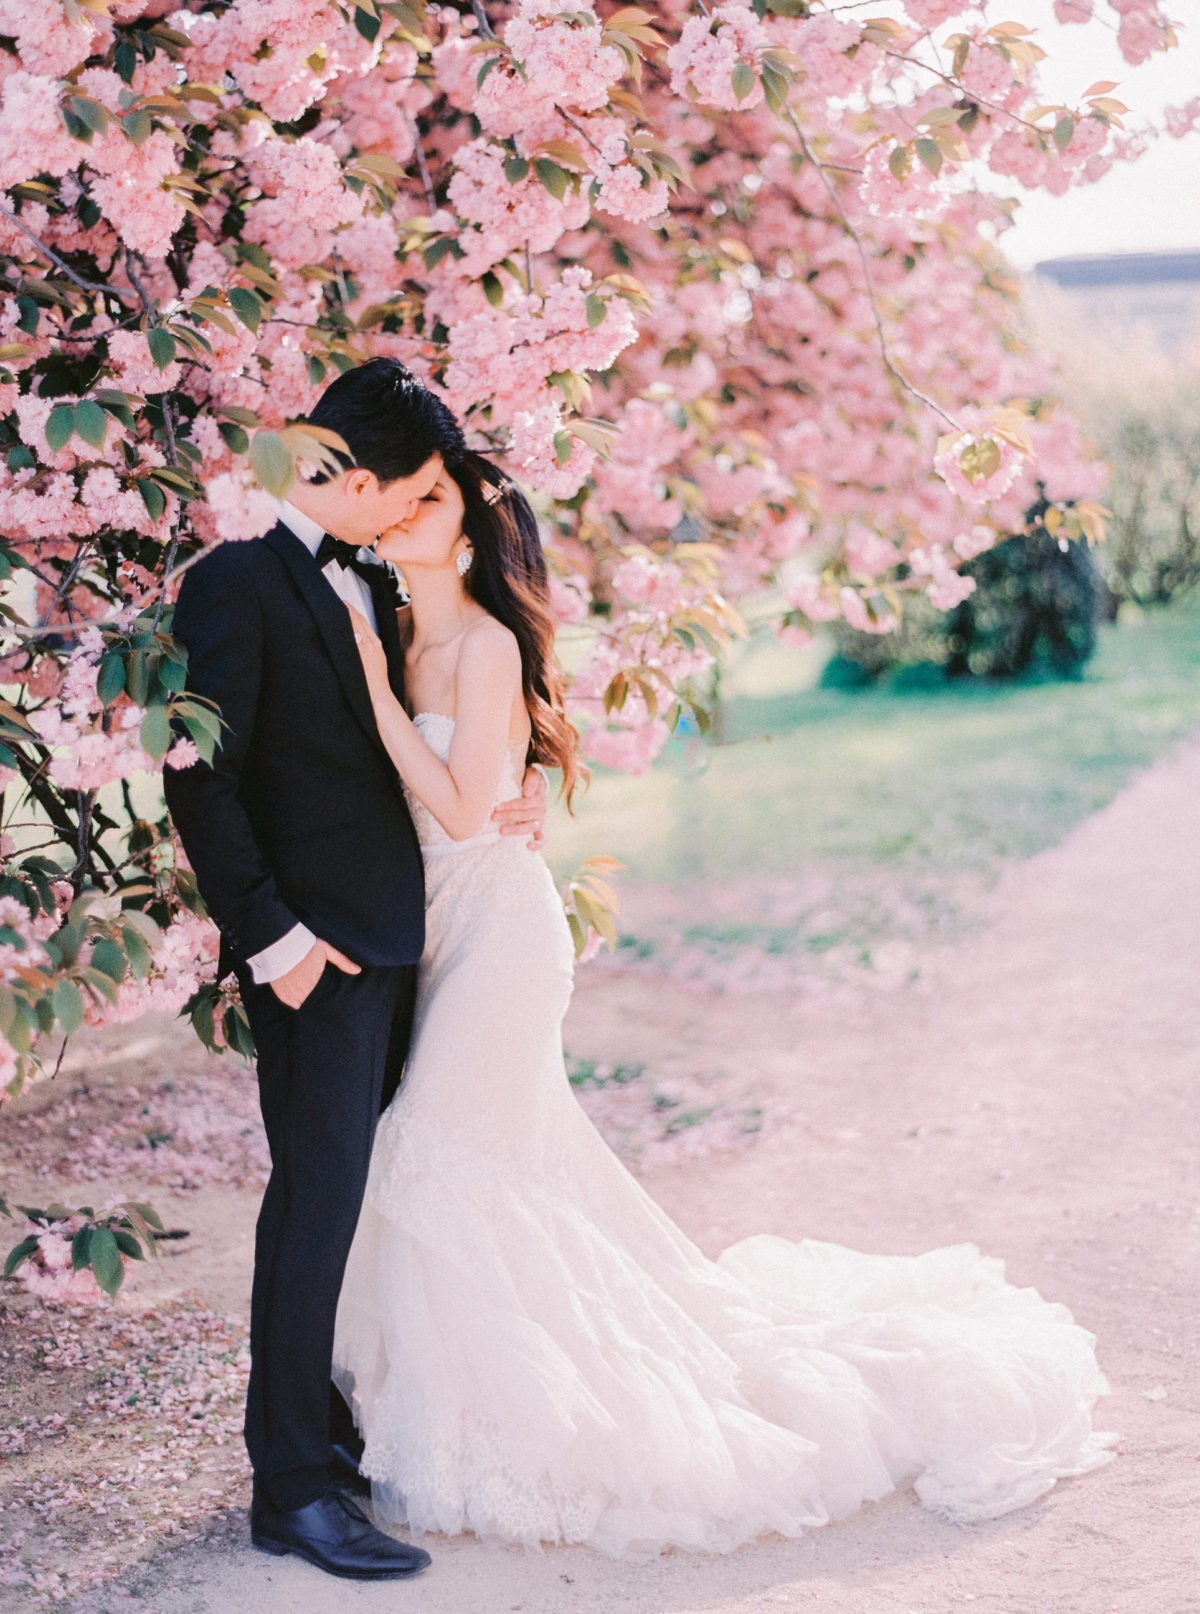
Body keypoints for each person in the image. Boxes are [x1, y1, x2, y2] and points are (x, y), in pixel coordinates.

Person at [332, 451, 1117, 1559]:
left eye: (430, 501)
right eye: (397, 496)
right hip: (435, 930)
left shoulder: (484, 644)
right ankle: (488, 1403)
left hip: (501, 942)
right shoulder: (392, 624)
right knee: (499, 1169)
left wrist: (368, 687)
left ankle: (510, 1426)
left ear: (467, 533)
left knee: (433, 1153)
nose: (404, 514)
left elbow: (466, 810)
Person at [164, 360, 549, 1582]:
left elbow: (436, 750)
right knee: (315, 1204)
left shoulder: (376, 584)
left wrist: (517, 795)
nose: (412, 517)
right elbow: (197, 775)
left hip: (412, 941)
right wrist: (273, 939)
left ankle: (329, 1434)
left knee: (369, 1201)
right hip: (316, 957)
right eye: (415, 494)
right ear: (362, 481)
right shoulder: (235, 580)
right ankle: (292, 1490)